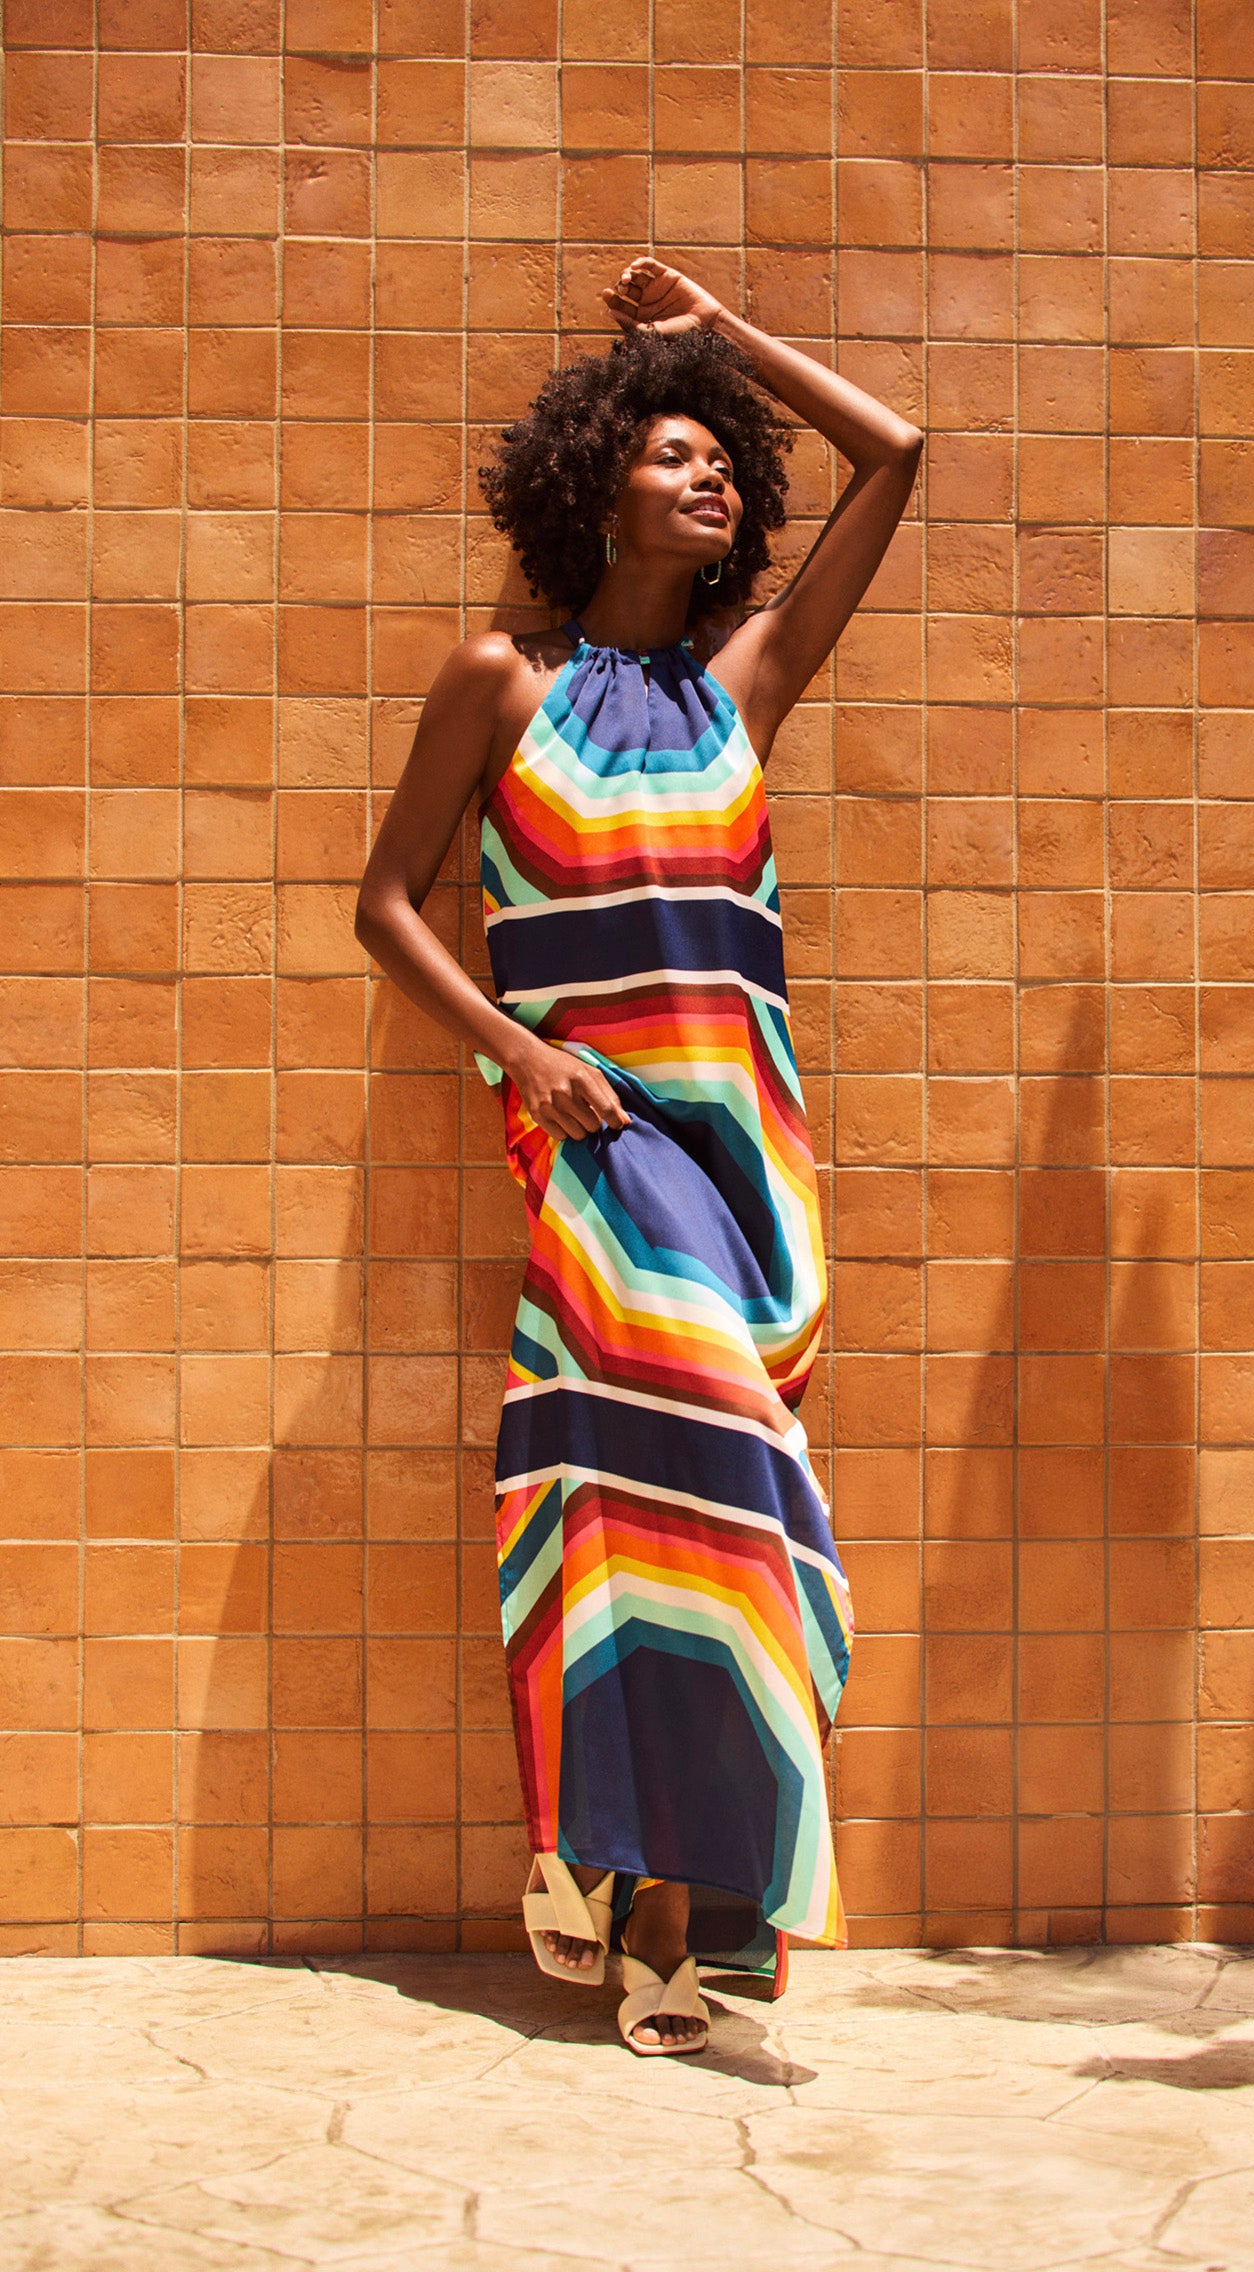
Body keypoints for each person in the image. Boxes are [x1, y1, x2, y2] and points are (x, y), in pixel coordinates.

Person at [355, 257, 922, 2054]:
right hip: (603, 1156)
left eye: (724, 464)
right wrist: (524, 1053)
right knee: (718, 1495)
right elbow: (383, 904)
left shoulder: (746, 680)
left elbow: (894, 457)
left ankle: (633, 1898)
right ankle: (690, 1912)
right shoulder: (501, 678)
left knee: (669, 1519)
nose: (716, 482)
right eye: (676, 452)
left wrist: (716, 343)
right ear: (593, 479)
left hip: (752, 1156)